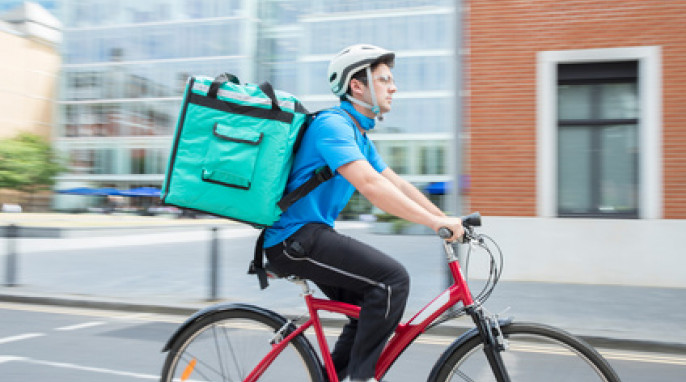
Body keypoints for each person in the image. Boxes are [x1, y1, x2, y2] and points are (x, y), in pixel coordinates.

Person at [264, 44, 464, 382]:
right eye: (384, 79)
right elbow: (370, 185)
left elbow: (396, 184)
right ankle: (362, 378)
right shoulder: (332, 124)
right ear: (357, 86)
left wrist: (443, 218)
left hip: (310, 236)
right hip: (294, 239)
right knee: (392, 281)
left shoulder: (357, 135)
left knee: (369, 306)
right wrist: (433, 222)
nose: (394, 87)